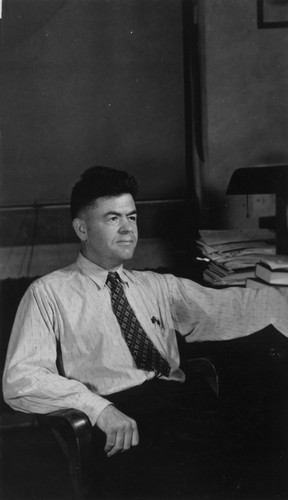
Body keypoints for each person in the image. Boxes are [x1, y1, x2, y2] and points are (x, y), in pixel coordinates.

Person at [3, 166, 288, 496]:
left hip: (184, 404)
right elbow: (20, 379)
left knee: (265, 453)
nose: (128, 229)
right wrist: (99, 409)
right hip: (122, 416)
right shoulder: (47, 293)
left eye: (133, 217)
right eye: (113, 219)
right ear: (82, 229)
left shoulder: (157, 285)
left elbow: (233, 307)